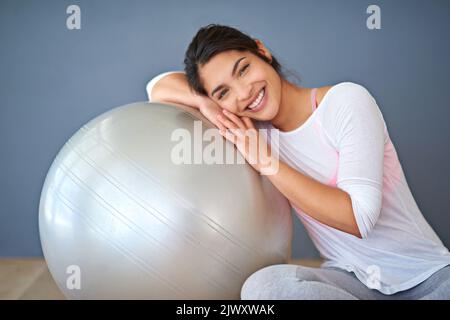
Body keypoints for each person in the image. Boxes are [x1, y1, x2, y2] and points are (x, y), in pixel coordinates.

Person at [146, 24, 450, 299]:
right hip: (351, 283)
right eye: (223, 92)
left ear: (261, 50)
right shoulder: (253, 132)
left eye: (243, 69)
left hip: (427, 280)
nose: (244, 92)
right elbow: (156, 87)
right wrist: (204, 102)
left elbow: (359, 218)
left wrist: (267, 162)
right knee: (264, 288)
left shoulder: (345, 102)